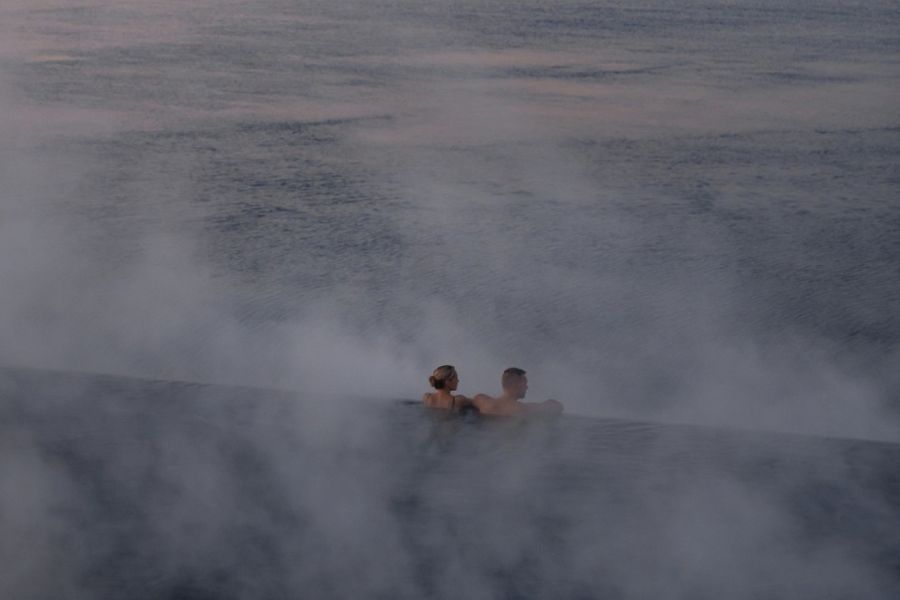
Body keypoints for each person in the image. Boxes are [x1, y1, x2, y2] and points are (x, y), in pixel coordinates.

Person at [473, 367, 563, 417]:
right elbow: (556, 406)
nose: (527, 387)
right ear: (516, 385)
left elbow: (461, 400)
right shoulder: (521, 409)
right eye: (525, 383)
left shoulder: (482, 400)